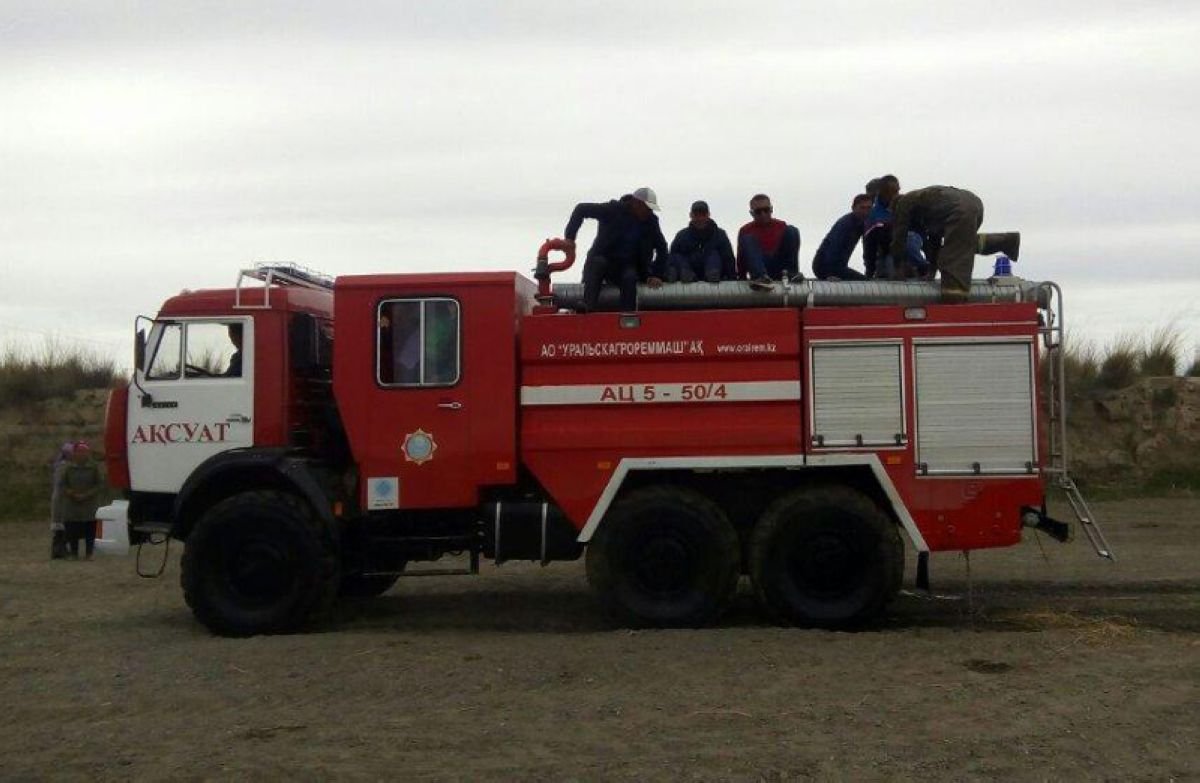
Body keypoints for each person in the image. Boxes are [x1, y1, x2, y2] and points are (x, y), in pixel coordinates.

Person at [889, 185, 1021, 301]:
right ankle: (1006, 241)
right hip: (973, 203)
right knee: (962, 244)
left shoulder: (903, 204)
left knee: (952, 258)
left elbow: (899, 238)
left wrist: (897, 268)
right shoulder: (927, 206)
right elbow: (934, 242)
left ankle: (954, 295)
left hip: (959, 209)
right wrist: (931, 272)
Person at [563, 188, 668, 312]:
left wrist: (656, 274)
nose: (648, 212)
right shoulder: (612, 210)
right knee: (598, 264)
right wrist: (570, 238)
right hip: (603, 259)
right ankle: (587, 308)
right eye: (647, 208)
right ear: (635, 203)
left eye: (650, 209)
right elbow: (581, 209)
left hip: (628, 266)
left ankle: (627, 317)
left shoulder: (651, 221)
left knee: (630, 277)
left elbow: (662, 248)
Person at [864, 175, 929, 280]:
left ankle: (923, 267)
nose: (896, 195)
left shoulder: (907, 207)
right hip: (888, 254)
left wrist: (930, 264)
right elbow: (869, 245)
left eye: (897, 191)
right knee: (892, 270)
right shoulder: (874, 215)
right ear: (881, 192)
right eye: (891, 192)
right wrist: (869, 273)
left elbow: (923, 236)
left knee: (909, 237)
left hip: (910, 250)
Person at [736, 194, 802, 289]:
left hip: (780, 267)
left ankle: (791, 273)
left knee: (792, 230)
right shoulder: (745, 230)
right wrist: (741, 277)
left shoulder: (781, 226)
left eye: (766, 210)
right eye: (758, 212)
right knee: (748, 239)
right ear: (752, 213)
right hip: (759, 265)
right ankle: (760, 277)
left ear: (771, 209)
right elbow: (741, 258)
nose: (763, 214)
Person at [666, 200, 736, 283]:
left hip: (714, 272)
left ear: (708, 215)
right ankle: (685, 274)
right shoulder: (682, 235)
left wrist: (732, 278)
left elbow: (729, 259)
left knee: (714, 254)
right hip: (688, 272)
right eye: (696, 215)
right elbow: (672, 257)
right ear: (691, 215)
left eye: (703, 214)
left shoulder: (720, 234)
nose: (700, 218)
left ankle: (712, 274)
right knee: (677, 256)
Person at [812, 194, 873, 280]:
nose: (865, 212)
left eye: (869, 208)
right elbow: (833, 247)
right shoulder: (846, 224)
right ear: (853, 208)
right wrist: (829, 275)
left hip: (838, 267)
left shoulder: (861, 223)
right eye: (862, 208)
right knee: (865, 283)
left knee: (865, 281)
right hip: (824, 266)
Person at [58, 441, 102, 560]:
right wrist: (71, 493)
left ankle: (89, 553)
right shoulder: (67, 468)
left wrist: (88, 494)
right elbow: (62, 484)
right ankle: (73, 553)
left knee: (90, 530)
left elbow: (99, 484)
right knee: (72, 530)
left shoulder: (94, 467)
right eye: (79, 451)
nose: (81, 454)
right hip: (72, 505)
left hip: (89, 504)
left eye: (84, 452)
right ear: (74, 453)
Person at [49, 442, 72, 560]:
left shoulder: (65, 465)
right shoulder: (63, 466)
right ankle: (58, 550)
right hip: (61, 499)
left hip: (63, 499)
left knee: (63, 527)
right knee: (60, 527)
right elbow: (61, 483)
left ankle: (60, 549)